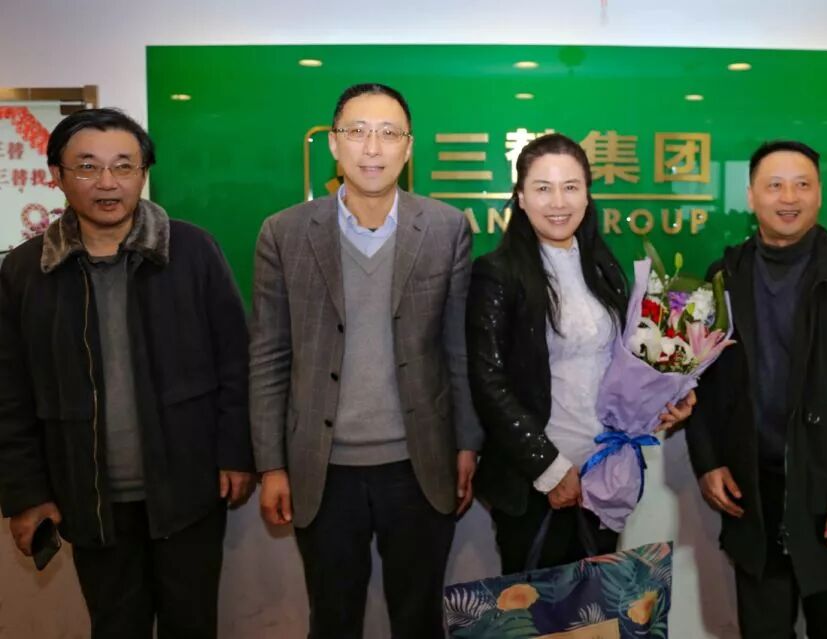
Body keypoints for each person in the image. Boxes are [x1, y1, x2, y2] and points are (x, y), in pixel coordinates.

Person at [0, 108, 254, 639]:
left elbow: (236, 359)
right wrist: (25, 494)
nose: (107, 182)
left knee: (192, 625)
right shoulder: (26, 271)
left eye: (124, 166)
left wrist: (236, 453)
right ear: (57, 175)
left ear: (144, 173)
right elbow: (10, 392)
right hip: (88, 496)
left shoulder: (192, 251)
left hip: (188, 489)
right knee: (116, 627)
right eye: (87, 167)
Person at [249, 82, 482, 638]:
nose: (372, 148)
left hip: (419, 463)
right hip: (322, 467)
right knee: (332, 620)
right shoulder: (283, 233)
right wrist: (271, 464)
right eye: (357, 132)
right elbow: (269, 354)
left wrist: (467, 444)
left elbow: (457, 346)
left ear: (408, 147)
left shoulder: (446, 228)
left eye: (388, 133)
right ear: (333, 143)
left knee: (418, 621)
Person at [686, 140, 827, 638]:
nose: (789, 198)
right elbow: (701, 379)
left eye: (802, 185)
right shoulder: (726, 275)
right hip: (753, 494)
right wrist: (707, 461)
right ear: (751, 195)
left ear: (820, 194)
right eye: (775, 185)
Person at [467, 133, 694, 574]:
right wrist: (551, 469)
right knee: (538, 608)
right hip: (536, 483)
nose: (558, 202)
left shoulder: (603, 267)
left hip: (604, 476)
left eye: (570, 187)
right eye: (543, 188)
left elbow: (623, 363)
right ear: (521, 198)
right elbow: (488, 382)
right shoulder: (498, 273)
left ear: (587, 196)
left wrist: (665, 399)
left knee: (599, 606)